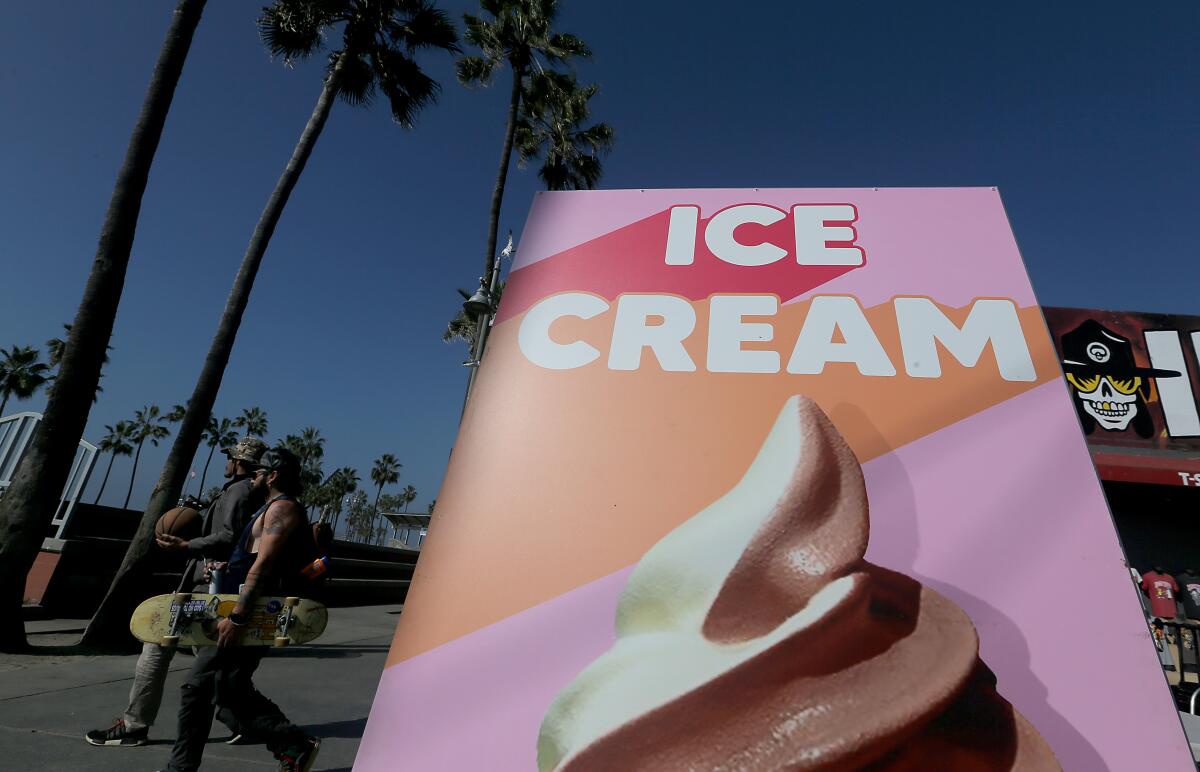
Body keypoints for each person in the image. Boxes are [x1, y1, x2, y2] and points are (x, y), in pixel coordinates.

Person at [84, 436, 268, 747]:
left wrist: (187, 544)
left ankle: (133, 726)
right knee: (211, 663)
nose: (226, 462)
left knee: (157, 644)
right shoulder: (244, 491)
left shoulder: (239, 490)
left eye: (229, 457)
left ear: (237, 461)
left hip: (206, 591)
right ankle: (245, 720)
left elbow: (229, 536)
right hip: (208, 588)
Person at [162, 447, 321, 772]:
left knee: (199, 687)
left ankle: (182, 769)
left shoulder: (283, 509)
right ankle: (292, 743)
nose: (253, 477)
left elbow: (263, 567)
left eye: (258, 472)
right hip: (242, 611)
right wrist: (224, 569)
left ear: (272, 476)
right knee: (226, 691)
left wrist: (236, 618)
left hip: (251, 616)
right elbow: (251, 561)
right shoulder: (268, 509)